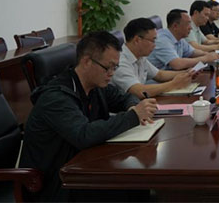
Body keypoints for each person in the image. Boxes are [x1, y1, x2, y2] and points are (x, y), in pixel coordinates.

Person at [20, 32, 158, 202]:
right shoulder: (56, 98)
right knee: (131, 185)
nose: (111, 73)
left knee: (137, 182)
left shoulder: (95, 86)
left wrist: (132, 107)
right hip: (56, 182)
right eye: (108, 67)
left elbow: (125, 97)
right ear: (86, 61)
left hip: (83, 166)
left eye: (115, 67)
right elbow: (83, 134)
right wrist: (133, 116)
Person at [112, 17, 195, 98]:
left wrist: (187, 73)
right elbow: (140, 91)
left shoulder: (140, 57)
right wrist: (174, 84)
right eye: (153, 40)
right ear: (137, 40)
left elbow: (159, 75)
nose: (155, 45)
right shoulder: (120, 62)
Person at [149, 9, 219, 70]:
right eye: (188, 24)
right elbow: (177, 64)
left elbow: (192, 52)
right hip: (158, 80)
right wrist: (205, 58)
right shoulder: (162, 40)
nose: (190, 28)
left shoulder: (179, 37)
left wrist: (209, 55)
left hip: (173, 76)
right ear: (175, 26)